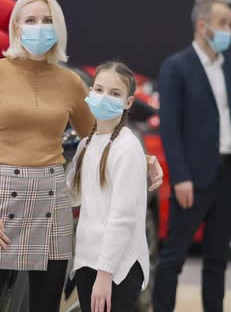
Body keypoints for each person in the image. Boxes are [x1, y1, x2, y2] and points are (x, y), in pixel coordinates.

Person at [0, 0, 163, 312]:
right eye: (31, 19)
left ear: (58, 30)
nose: (39, 27)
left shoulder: (69, 81)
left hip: (51, 200)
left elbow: (100, 136)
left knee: (45, 306)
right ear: (16, 26)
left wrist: (144, 158)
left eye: (47, 20)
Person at [153, 0, 231, 312]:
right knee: (173, 257)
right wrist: (181, 176)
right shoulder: (176, 66)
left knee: (218, 257)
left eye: (230, 23)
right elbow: (170, 129)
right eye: (224, 23)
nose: (229, 30)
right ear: (202, 26)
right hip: (193, 177)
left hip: (229, 172)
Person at [67, 62, 150, 312]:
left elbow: (122, 218)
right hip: (86, 263)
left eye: (115, 93)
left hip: (117, 269)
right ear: (90, 92)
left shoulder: (128, 147)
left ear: (128, 102)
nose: (105, 97)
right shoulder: (85, 146)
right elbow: (73, 196)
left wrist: (105, 275)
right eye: (99, 90)